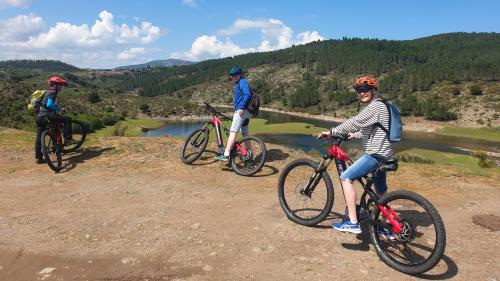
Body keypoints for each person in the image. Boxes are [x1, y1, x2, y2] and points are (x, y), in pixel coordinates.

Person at [318, 76, 393, 234]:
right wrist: (355, 135)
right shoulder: (379, 106)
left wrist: (332, 132)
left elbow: (355, 121)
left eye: (366, 90)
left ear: (373, 90)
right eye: (360, 91)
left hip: (375, 154)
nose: (362, 93)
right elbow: (373, 128)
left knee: (346, 177)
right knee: (380, 191)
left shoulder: (375, 107)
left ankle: (353, 222)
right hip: (385, 155)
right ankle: (388, 228)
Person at [215, 66, 252, 161]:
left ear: (240, 74)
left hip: (241, 111)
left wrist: (241, 107)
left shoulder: (242, 82)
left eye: (235, 75)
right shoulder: (240, 83)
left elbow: (247, 94)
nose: (233, 76)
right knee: (245, 134)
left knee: (233, 132)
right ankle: (249, 154)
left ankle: (226, 154)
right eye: (232, 75)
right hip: (246, 112)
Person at [35, 76, 74, 164]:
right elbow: (49, 105)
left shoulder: (45, 92)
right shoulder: (53, 92)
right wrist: (60, 109)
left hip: (39, 117)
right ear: (54, 85)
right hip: (47, 116)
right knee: (67, 119)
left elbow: (45, 105)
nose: (61, 87)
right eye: (59, 85)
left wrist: (56, 109)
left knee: (39, 137)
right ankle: (68, 138)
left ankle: (39, 157)